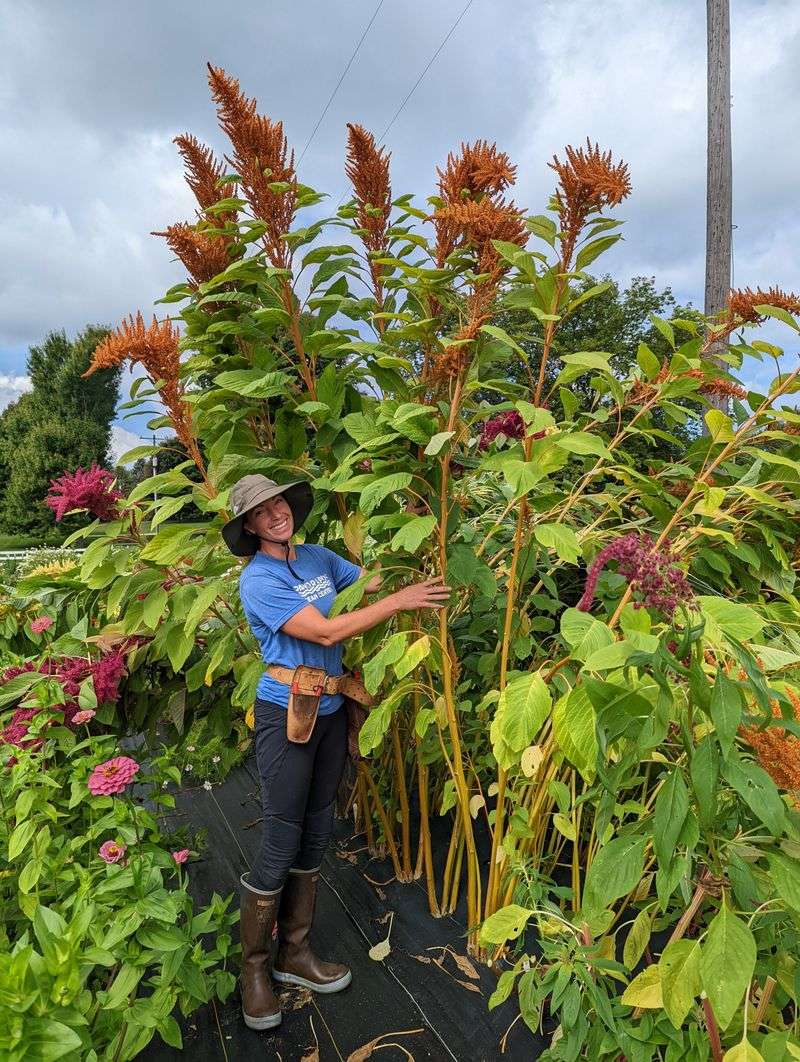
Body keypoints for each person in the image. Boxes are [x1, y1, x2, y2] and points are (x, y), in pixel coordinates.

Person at [221, 474, 450, 1031]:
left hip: (328, 713)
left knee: (317, 831)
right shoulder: (259, 579)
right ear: (249, 526)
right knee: (281, 839)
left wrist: (409, 552)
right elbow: (325, 633)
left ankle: (295, 954)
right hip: (286, 714)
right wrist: (401, 601)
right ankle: (254, 971)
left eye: (279, 502)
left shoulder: (319, 556)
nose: (276, 512)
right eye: (262, 510)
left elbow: (361, 587)